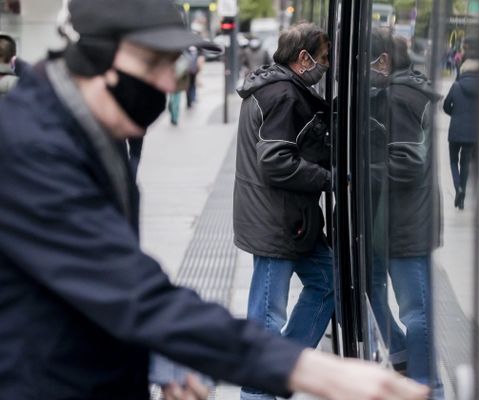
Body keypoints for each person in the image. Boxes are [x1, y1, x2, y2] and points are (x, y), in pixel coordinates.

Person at [0, 1, 430, 400]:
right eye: (153, 64)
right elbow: (131, 291)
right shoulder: (28, 147)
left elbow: (92, 284)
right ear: (92, 57)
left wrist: (160, 358)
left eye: (176, 66)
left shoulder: (94, 125)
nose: (170, 84)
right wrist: (315, 371)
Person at [233, 23, 336, 400]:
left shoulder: (275, 87)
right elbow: (276, 161)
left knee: (328, 284)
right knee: (267, 316)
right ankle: (259, 390)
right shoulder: (284, 96)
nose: (327, 67)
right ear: (303, 58)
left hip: (290, 221)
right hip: (277, 223)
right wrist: (329, 178)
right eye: (324, 59)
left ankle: (284, 368)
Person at [370, 33, 443, 398]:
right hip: (404, 218)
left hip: (404, 222)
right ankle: (404, 358)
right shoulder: (408, 89)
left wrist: (360, 171)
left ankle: (429, 387)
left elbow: (407, 162)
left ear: (383, 61)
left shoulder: (398, 97)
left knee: (415, 311)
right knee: (376, 290)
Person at [443, 37, 479, 210]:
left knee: (453, 161)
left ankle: (458, 186)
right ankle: (462, 194)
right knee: (465, 163)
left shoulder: (457, 86)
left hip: (456, 130)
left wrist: (455, 114)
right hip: (471, 133)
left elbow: (445, 106)